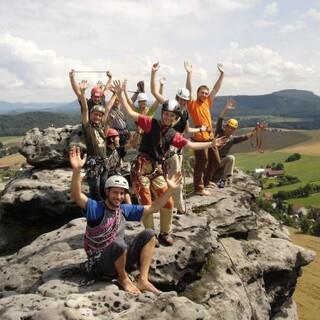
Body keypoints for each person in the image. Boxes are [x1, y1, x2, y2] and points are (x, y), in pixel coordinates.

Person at [111, 80, 226, 246]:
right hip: (142, 167)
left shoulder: (172, 133)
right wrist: (121, 94)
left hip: (156, 168)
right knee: (146, 203)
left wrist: (211, 144)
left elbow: (191, 145)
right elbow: (130, 112)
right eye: (166, 114)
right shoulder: (151, 123)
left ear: (175, 119)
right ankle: (149, 235)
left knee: (168, 201)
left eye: (172, 116)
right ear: (162, 113)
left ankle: (164, 233)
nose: (168, 117)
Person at [70, 146, 182, 294]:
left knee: (149, 234)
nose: (119, 197)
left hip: (120, 259)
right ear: (107, 192)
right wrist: (77, 171)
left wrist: (170, 190)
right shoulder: (96, 208)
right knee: (119, 243)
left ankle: (143, 279)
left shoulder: (123, 210)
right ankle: (123, 278)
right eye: (115, 192)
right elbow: (77, 196)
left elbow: (153, 208)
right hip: (101, 265)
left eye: (122, 193)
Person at [150, 62, 206, 213]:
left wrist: (200, 129)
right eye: (180, 99)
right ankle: (178, 207)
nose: (182, 102)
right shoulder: (171, 106)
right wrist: (153, 73)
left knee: (172, 177)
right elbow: (154, 92)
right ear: (176, 98)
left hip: (178, 147)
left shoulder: (185, 113)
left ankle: (170, 205)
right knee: (175, 178)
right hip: (170, 148)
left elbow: (187, 130)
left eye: (184, 101)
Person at [185, 61, 225, 195]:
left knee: (216, 161)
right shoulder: (192, 104)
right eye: (202, 92)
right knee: (201, 163)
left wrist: (222, 75)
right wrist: (189, 74)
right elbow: (188, 90)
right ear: (198, 93)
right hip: (200, 138)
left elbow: (215, 89)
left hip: (211, 137)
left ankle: (207, 182)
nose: (205, 94)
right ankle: (199, 188)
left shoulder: (207, 102)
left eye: (206, 93)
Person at [79, 80, 115, 200]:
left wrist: (115, 94)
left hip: (104, 162)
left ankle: (104, 213)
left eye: (100, 115)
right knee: (95, 190)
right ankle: (93, 214)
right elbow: (84, 108)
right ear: (91, 114)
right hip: (93, 162)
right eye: (95, 114)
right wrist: (83, 92)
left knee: (104, 189)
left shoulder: (100, 126)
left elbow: (108, 108)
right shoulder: (88, 126)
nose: (98, 117)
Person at [213, 100, 260, 188]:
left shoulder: (232, 139)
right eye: (229, 127)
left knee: (231, 158)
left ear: (234, 130)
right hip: (211, 160)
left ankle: (223, 179)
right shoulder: (219, 131)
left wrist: (255, 131)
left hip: (220, 161)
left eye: (233, 128)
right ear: (226, 126)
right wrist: (226, 109)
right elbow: (220, 118)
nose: (230, 129)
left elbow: (245, 137)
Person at [105, 128, 132, 204]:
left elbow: (131, 145)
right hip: (110, 176)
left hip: (116, 174)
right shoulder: (105, 151)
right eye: (117, 137)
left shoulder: (116, 150)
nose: (119, 139)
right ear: (111, 139)